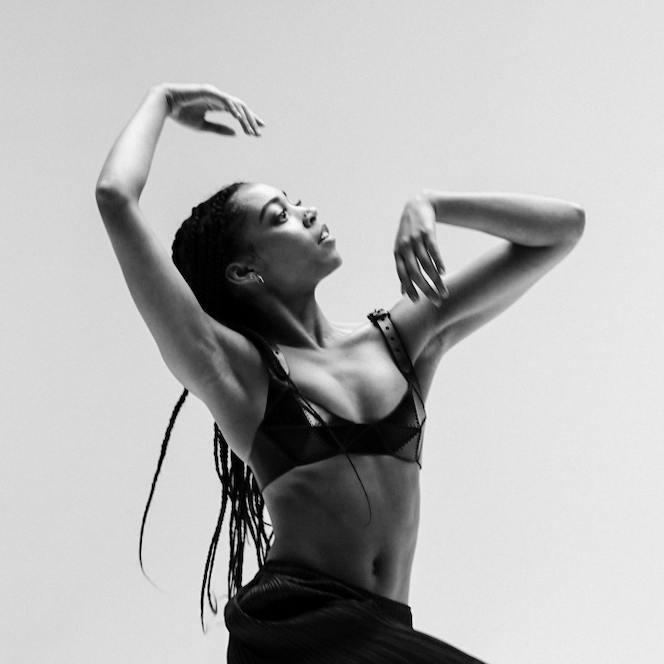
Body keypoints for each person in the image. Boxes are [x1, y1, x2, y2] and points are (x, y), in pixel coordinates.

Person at [95, 83, 584, 663]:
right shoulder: (236, 372)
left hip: (382, 633)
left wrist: (434, 205)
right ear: (244, 271)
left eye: (295, 202)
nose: (306, 212)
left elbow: (563, 229)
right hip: (297, 629)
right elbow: (115, 197)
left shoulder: (399, 342)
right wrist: (164, 100)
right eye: (280, 216)